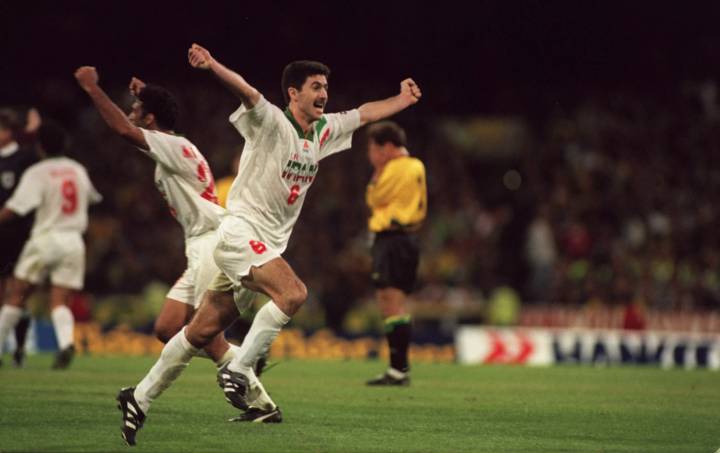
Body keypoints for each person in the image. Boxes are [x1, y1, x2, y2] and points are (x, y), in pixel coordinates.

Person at [113, 42, 421, 445]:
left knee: (199, 334)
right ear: (293, 93)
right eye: (314, 86)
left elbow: (364, 114)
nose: (323, 93)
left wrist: (401, 99)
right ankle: (240, 368)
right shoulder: (270, 121)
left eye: (325, 86)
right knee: (293, 293)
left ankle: (139, 396)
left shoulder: (324, 130)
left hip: (263, 244)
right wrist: (211, 65)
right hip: (241, 232)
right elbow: (246, 91)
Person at [73, 67, 277, 441]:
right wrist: (148, 92)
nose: (130, 111)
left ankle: (257, 397)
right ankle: (246, 371)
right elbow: (139, 122)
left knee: (204, 335)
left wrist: (92, 88)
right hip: (199, 244)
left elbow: (123, 130)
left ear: (151, 118)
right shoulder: (176, 145)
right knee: (168, 328)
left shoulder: (173, 145)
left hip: (211, 243)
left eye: (136, 107)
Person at [0, 121, 101, 369]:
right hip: (73, 242)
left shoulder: (38, 172)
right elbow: (92, 198)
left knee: (16, 295)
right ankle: (66, 343)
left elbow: (14, 209)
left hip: (46, 237)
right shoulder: (77, 169)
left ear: (40, 147)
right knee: (59, 300)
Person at [363, 121, 426, 386]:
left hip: (394, 239)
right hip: (402, 239)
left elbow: (374, 198)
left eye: (373, 148)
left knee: (392, 302)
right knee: (391, 302)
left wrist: (378, 172)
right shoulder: (415, 166)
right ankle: (397, 368)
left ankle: (399, 369)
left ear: (387, 147)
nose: (370, 155)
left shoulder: (398, 167)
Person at [0, 108, 39, 367]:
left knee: (17, 293)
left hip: (19, 237)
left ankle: (20, 349)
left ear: (8, 131)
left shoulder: (25, 159)